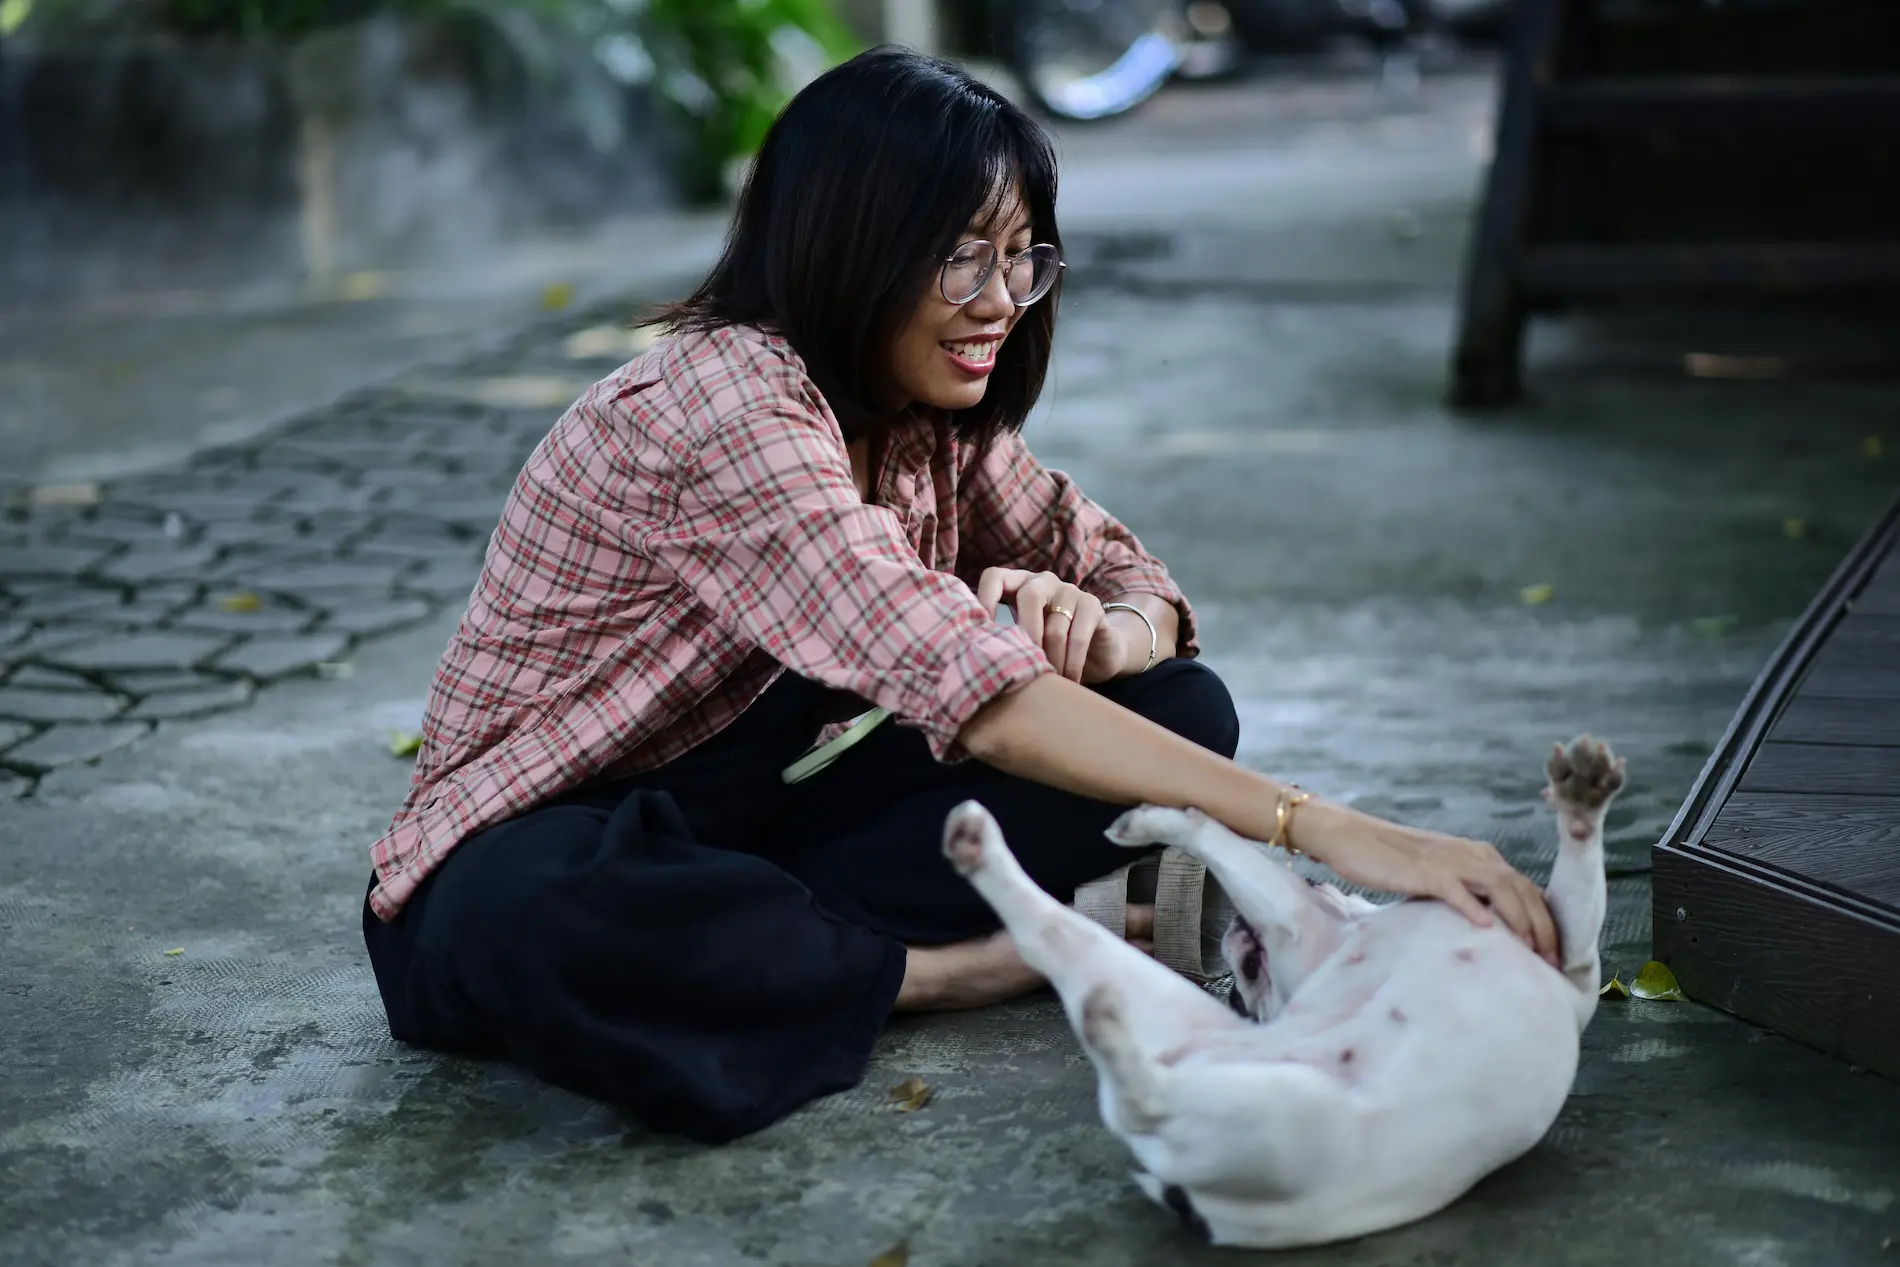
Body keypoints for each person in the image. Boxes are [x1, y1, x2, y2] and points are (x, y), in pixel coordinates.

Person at [361, 47, 1557, 1144]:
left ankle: (811, 952)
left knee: (1173, 706)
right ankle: (972, 964)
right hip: (544, 851)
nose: (998, 298)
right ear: (849, 242)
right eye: (959, 254)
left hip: (750, 832)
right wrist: (1329, 828)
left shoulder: (927, 420)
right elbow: (972, 690)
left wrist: (1101, 630)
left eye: (1020, 254)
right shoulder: (724, 410)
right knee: (549, 915)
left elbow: (1138, 581)